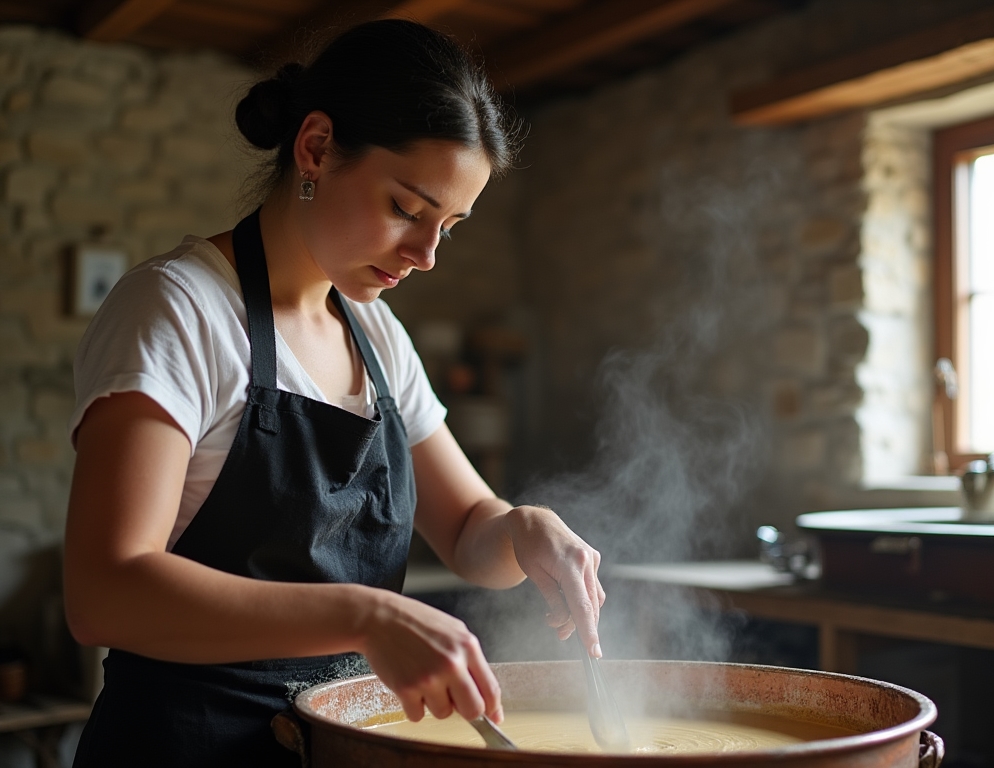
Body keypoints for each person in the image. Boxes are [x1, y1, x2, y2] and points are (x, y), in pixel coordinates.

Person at [63, 18, 606, 768]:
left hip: (335, 748)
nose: (427, 255)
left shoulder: (374, 333)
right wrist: (365, 616)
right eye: (406, 209)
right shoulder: (179, 310)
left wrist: (523, 527)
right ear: (315, 147)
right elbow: (104, 591)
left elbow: (468, 529)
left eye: (449, 226)